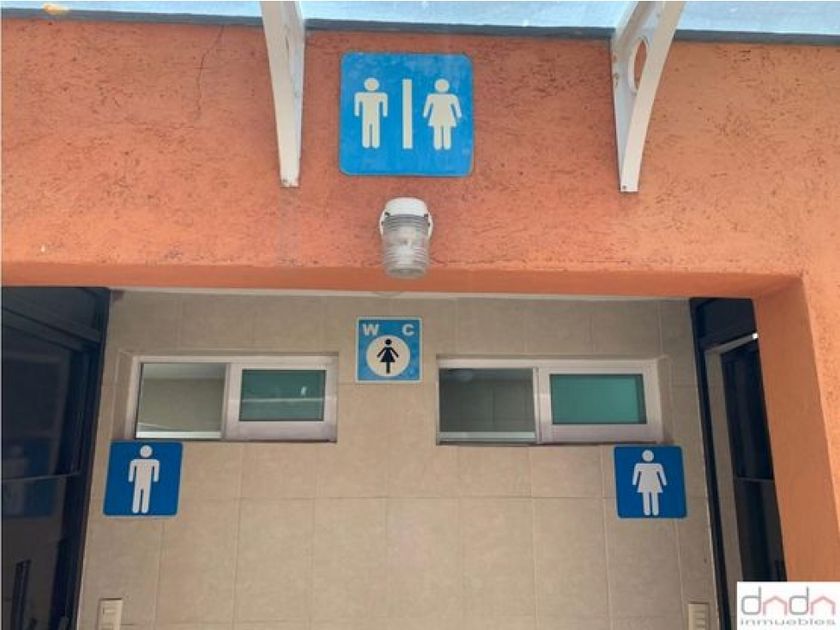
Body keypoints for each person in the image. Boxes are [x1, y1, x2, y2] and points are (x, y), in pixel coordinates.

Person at [422, 78, 462, 150]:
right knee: (444, 130)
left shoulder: (432, 97)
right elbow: (457, 107)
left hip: (438, 116)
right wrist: (458, 115)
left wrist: (425, 114)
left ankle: (440, 146)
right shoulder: (451, 97)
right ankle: (444, 145)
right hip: (446, 116)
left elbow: (427, 107)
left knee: (439, 130)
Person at [354, 77, 388, 149]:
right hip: (366, 115)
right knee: (366, 127)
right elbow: (357, 104)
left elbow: (384, 105)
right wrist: (357, 113)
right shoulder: (360, 95)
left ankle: (375, 143)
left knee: (375, 127)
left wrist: (384, 113)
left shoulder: (381, 95)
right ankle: (366, 143)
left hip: (376, 115)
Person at [632, 449, 667, 516]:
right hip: (648, 482)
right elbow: (636, 474)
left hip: (651, 482)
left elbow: (661, 474)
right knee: (648, 496)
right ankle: (649, 511)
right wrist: (634, 483)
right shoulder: (640, 465)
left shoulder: (657, 465)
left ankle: (653, 511)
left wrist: (664, 482)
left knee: (652, 496)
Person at [129, 444, 160, 514]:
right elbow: (132, 469)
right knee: (137, 493)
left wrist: (155, 479)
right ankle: (135, 508)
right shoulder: (135, 461)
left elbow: (156, 470)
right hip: (138, 480)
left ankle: (144, 509)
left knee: (146, 493)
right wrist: (131, 478)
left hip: (147, 480)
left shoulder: (154, 461)